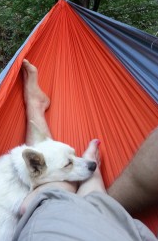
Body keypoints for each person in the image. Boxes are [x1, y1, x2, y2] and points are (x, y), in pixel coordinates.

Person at [12, 59, 158, 241]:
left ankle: (95, 200)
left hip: (56, 226)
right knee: (58, 196)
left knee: (50, 198)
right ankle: (97, 201)